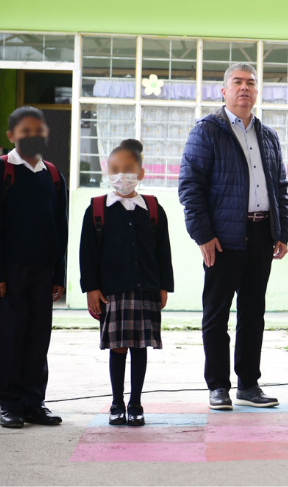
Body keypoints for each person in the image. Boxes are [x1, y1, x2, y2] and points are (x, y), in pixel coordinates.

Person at [179, 62, 288, 410]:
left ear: (257, 92)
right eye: (237, 82)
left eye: (251, 83)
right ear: (224, 91)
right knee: (216, 314)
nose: (245, 88)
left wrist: (281, 230)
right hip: (223, 239)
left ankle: (248, 384)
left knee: (253, 313)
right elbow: (190, 186)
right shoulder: (207, 131)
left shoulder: (268, 135)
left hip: (261, 235)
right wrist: (203, 235)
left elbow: (280, 187)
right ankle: (218, 386)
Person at [0, 106, 68, 428]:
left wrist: (58, 274)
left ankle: (34, 401)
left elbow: (61, 227)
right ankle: (9, 403)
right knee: (8, 336)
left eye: (38, 130)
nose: (33, 136)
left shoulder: (53, 175)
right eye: (25, 130)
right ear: (11, 136)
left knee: (37, 336)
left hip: (43, 272)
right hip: (9, 272)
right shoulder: (1, 170)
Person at [79, 139, 174, 426]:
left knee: (140, 346)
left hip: (146, 288)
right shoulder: (97, 209)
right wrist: (91, 289)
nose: (122, 175)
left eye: (128, 169)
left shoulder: (153, 209)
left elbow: (163, 251)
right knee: (118, 347)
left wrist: (164, 286)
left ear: (141, 173)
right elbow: (87, 253)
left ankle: (136, 403)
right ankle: (117, 402)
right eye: (116, 169)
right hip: (112, 292)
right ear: (108, 172)